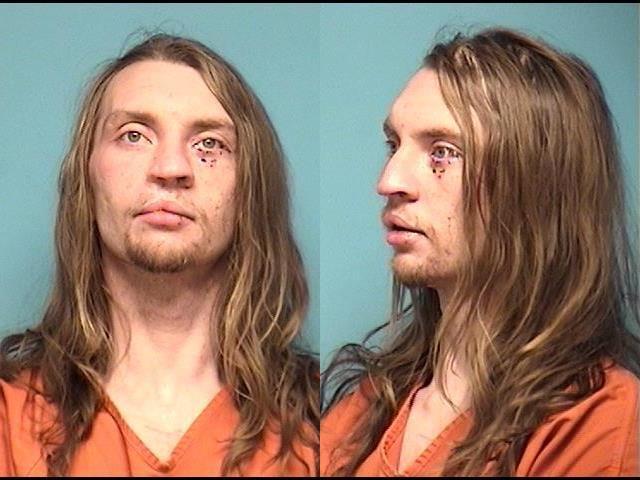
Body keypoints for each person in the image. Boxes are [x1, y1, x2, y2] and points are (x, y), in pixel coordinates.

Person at [321, 27, 639, 476]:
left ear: (536, 187)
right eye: (394, 145)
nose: (389, 180)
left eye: (443, 152)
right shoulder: (365, 411)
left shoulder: (596, 420)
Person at [0, 33, 318, 476]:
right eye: (134, 135)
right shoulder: (8, 417)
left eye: (209, 143)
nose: (170, 168)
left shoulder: (319, 424)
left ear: (249, 188)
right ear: (87, 177)